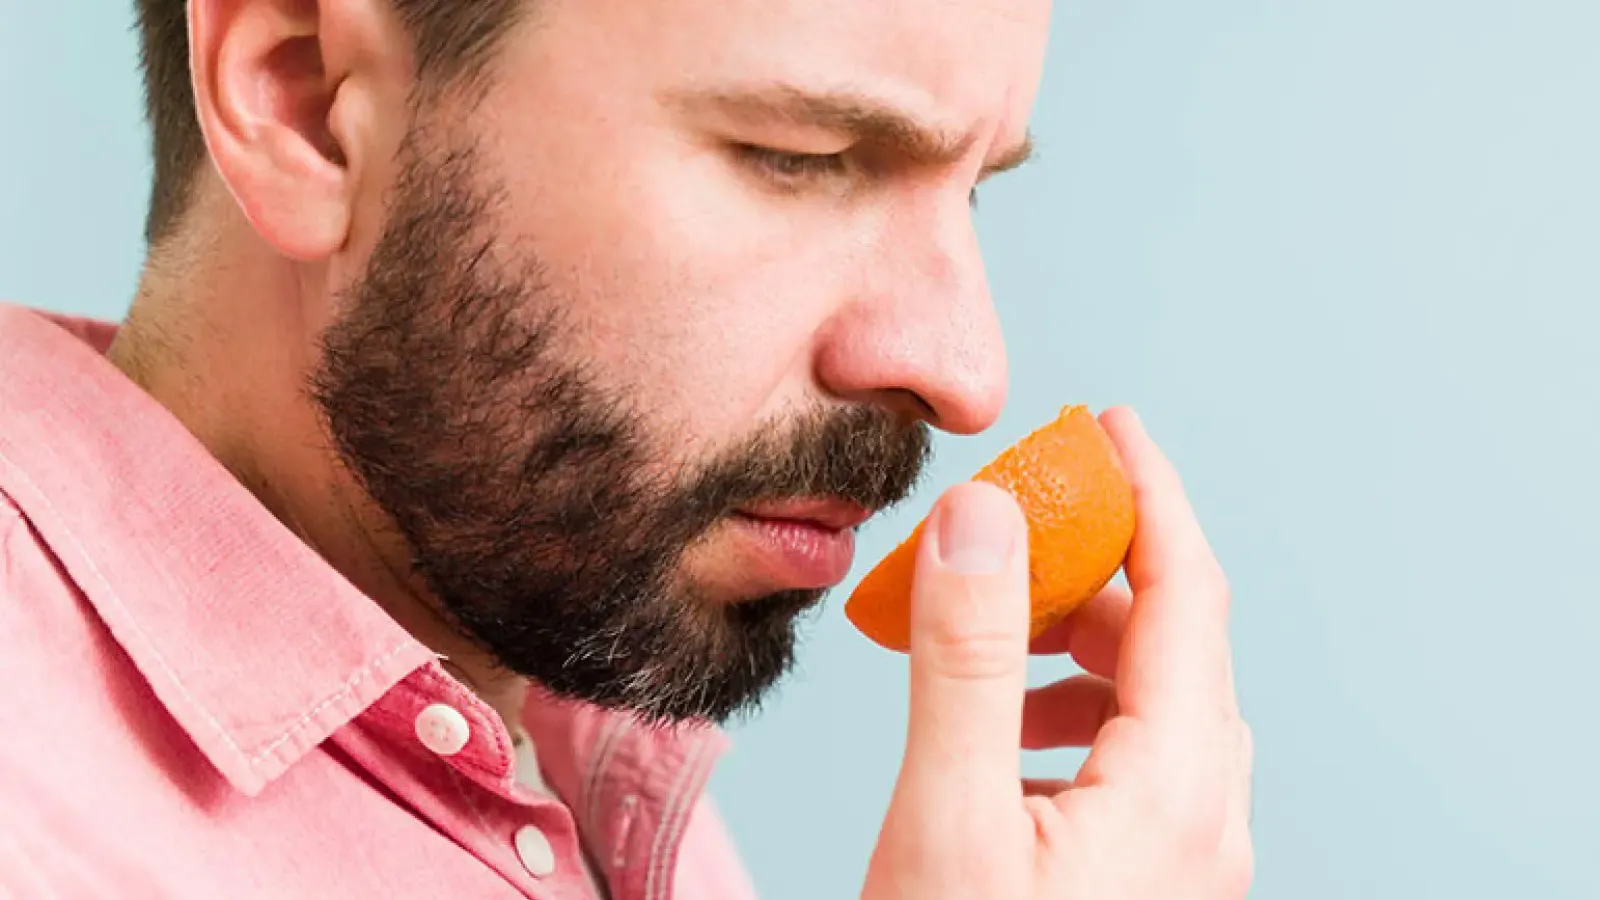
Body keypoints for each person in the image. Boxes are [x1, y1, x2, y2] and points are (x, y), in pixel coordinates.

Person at [0, 0, 1253, 896]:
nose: (965, 372)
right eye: (800, 159)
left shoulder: (571, 732)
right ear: (308, 104)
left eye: (968, 186)